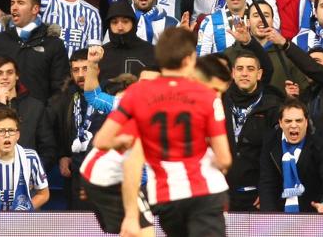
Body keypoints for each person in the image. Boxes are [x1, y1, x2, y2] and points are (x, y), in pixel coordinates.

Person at [93, 28, 230, 237]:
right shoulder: (207, 95)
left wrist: (130, 141)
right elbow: (224, 159)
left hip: (166, 195)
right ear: (190, 58)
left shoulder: (136, 93)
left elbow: (102, 140)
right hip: (206, 193)